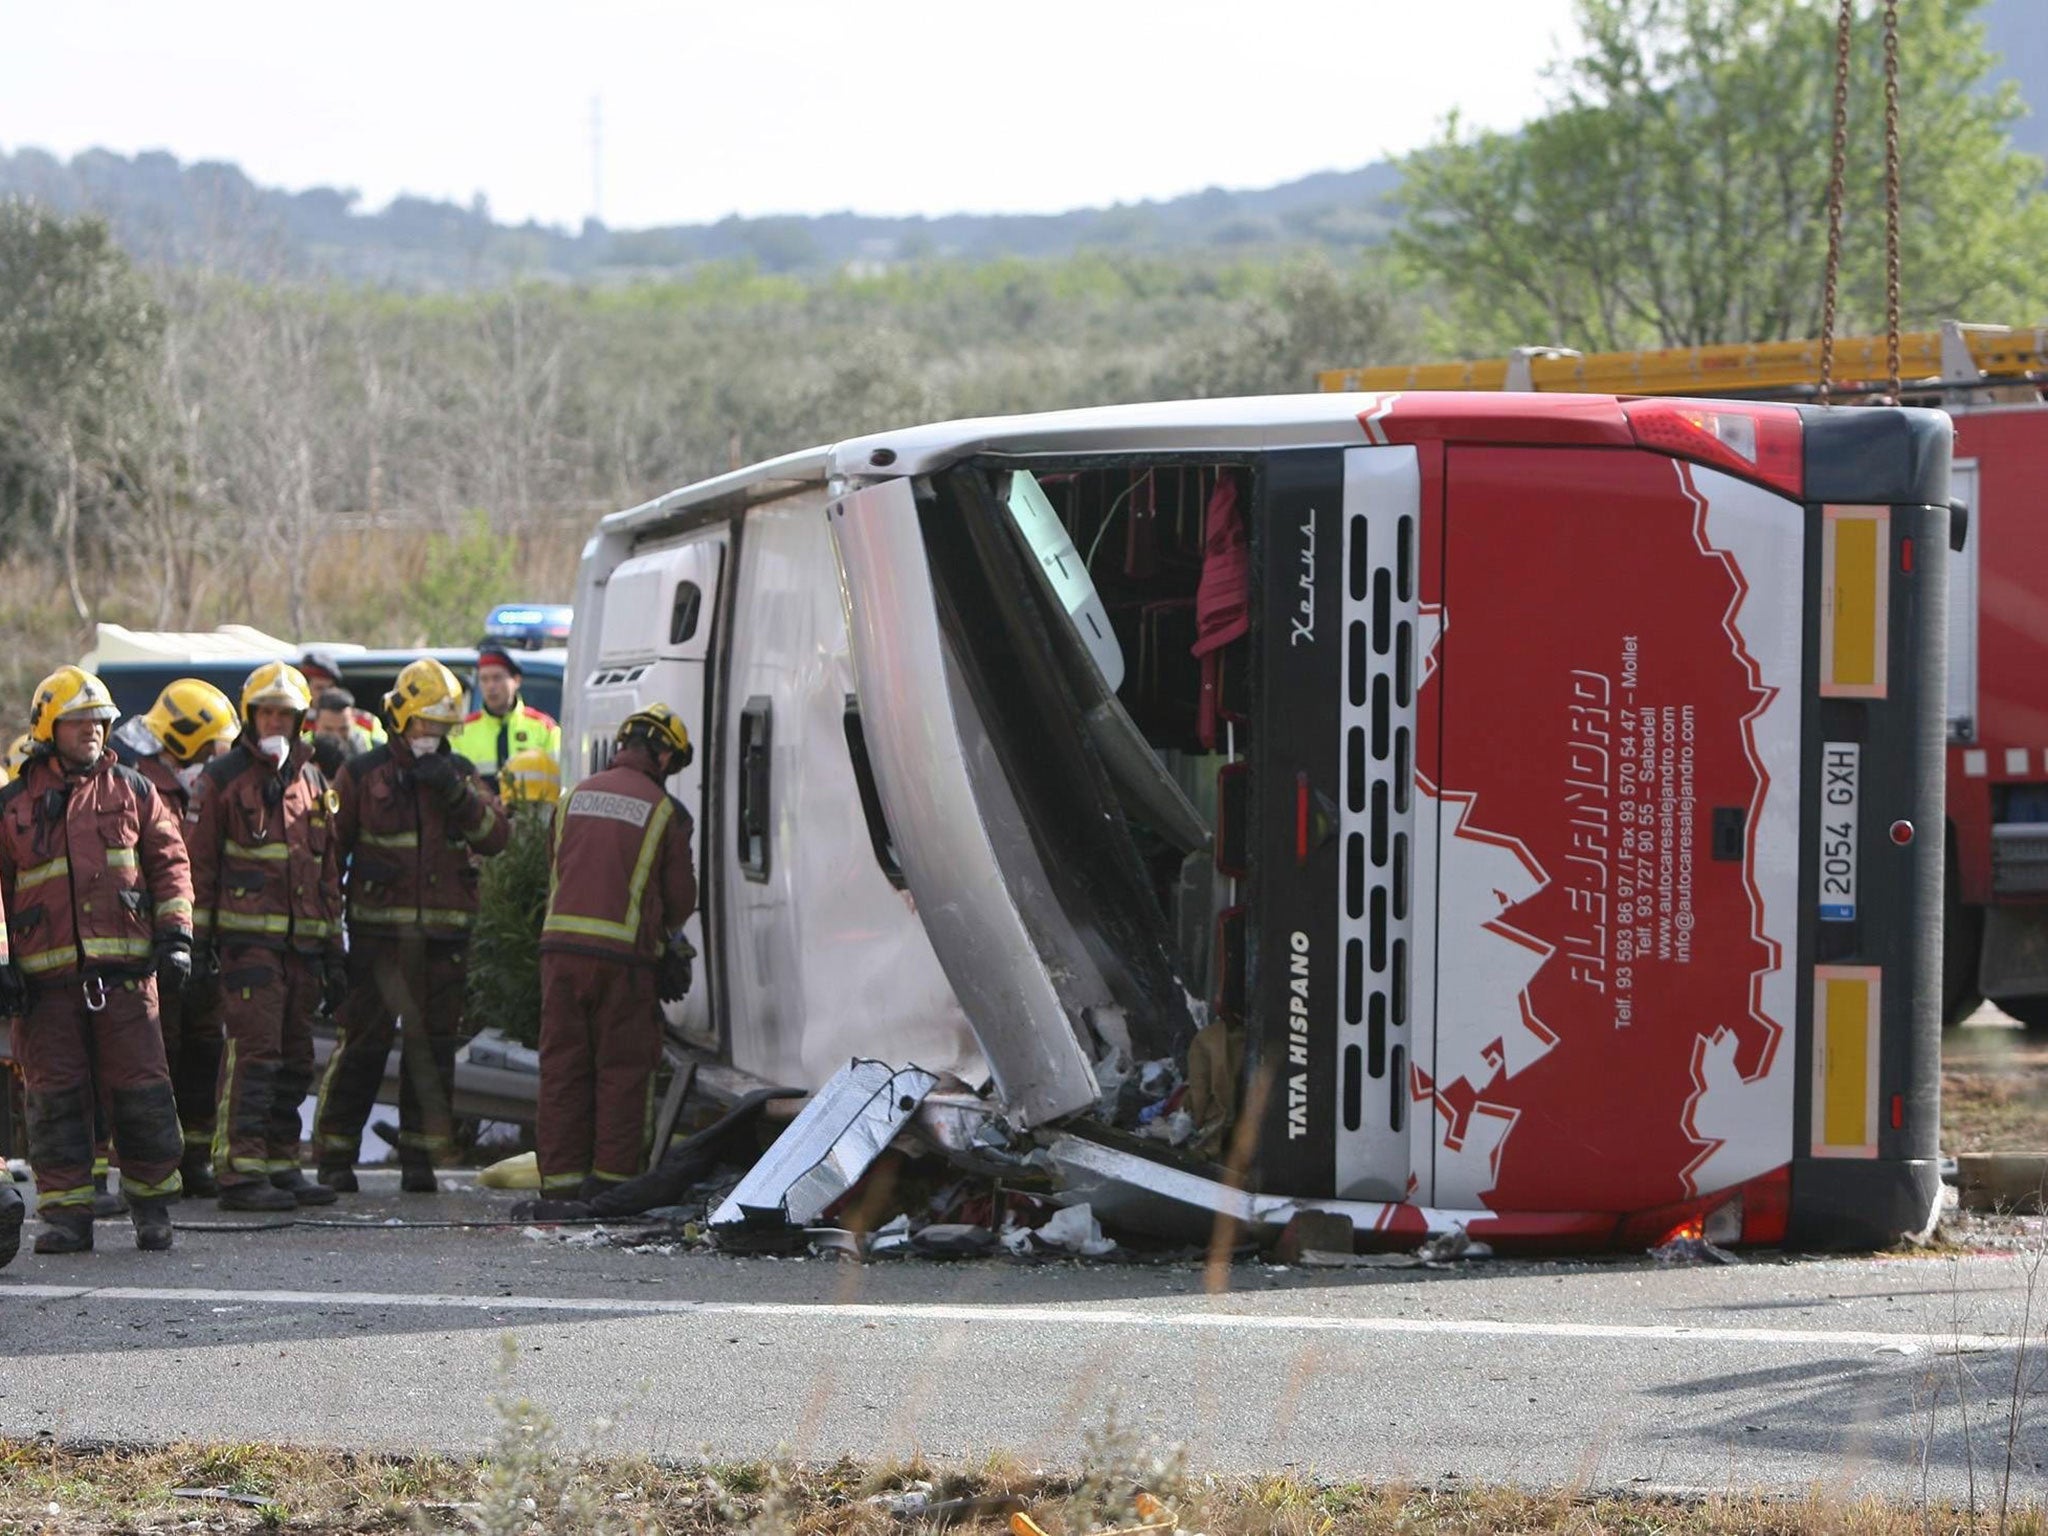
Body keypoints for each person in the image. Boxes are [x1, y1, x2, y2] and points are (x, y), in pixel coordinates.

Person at [0, 666, 193, 1254]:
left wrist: (177, 935)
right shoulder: (12, 805)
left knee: (142, 1091)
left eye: (99, 721)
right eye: (78, 721)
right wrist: (2, 963)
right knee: (55, 1098)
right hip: (45, 984)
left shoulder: (134, 790)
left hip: (127, 980)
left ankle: (153, 1209)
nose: (91, 731)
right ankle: (66, 1217)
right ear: (47, 728)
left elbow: (170, 863)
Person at [315, 658, 509, 1193]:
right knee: (363, 1046)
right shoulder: (362, 775)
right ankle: (333, 1156)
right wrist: (329, 932)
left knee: (433, 1050)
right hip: (378, 939)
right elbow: (330, 853)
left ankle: (420, 1160)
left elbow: (497, 837)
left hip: (444, 942)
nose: (433, 736)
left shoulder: (461, 775)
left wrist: (457, 793)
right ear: (401, 720)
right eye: (426, 724)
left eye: (443, 727)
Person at [186, 663, 346, 1212]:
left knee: (296, 1058)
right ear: (251, 717)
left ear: (302, 719)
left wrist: (333, 948)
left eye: (285, 712)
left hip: (301, 950)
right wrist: (195, 944)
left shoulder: (312, 781)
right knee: (255, 1054)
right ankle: (239, 1170)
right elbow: (198, 868)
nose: (275, 720)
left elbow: (325, 872)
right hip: (246, 946)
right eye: (266, 712)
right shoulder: (223, 779)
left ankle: (281, 1163)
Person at [536, 705, 697, 1199]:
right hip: (623, 962)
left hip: (560, 954)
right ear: (664, 753)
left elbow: (558, 867)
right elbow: (680, 898)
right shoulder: (664, 811)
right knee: (623, 1070)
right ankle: (613, 1187)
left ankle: (560, 1187)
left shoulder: (573, 798)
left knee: (563, 1067)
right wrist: (667, 941)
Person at [113, 679, 242, 1197]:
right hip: (154, 942)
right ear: (187, 742)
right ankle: (146, 1166)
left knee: (204, 1049)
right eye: (214, 745)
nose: (221, 755)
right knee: (156, 1052)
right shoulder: (138, 784)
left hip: (204, 937)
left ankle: (195, 1158)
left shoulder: (199, 785)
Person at [449, 644, 560, 794]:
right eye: (484, 679)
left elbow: (559, 782)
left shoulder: (544, 728)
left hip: (532, 815)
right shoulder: (461, 732)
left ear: (516, 681)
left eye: (497, 678)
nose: (490, 686)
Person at [297, 650, 386, 749]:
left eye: (330, 687)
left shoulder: (366, 723)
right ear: (305, 690)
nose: (326, 692)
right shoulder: (295, 724)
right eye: (319, 688)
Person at [308, 686, 375, 776]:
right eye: (328, 729)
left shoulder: (373, 745)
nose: (336, 736)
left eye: (343, 729)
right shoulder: (302, 748)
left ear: (354, 721)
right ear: (316, 723)